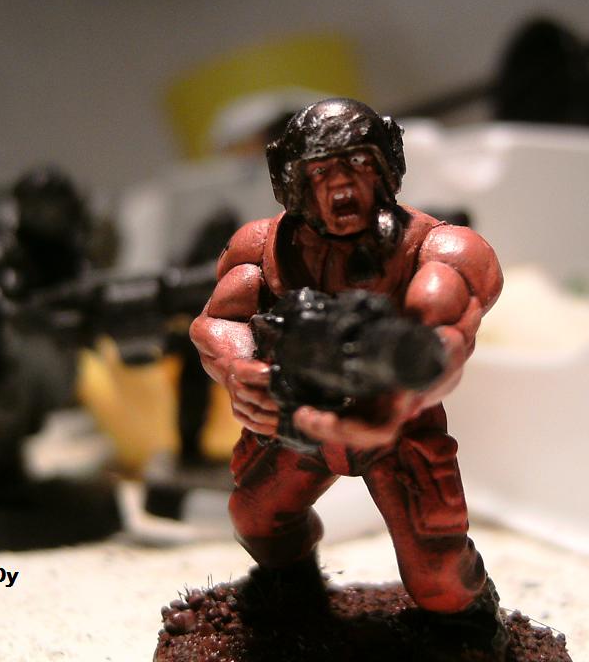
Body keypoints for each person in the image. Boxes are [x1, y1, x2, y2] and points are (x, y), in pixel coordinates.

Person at [190, 98, 505, 655]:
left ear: (385, 168)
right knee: (256, 521)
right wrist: (243, 371)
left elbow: (445, 340)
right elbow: (217, 320)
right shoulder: (262, 248)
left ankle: (469, 629)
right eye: (320, 171)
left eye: (357, 164)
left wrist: (395, 398)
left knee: (438, 575)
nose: (341, 186)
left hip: (398, 430)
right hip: (295, 418)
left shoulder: (439, 251)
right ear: (294, 181)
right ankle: (294, 594)